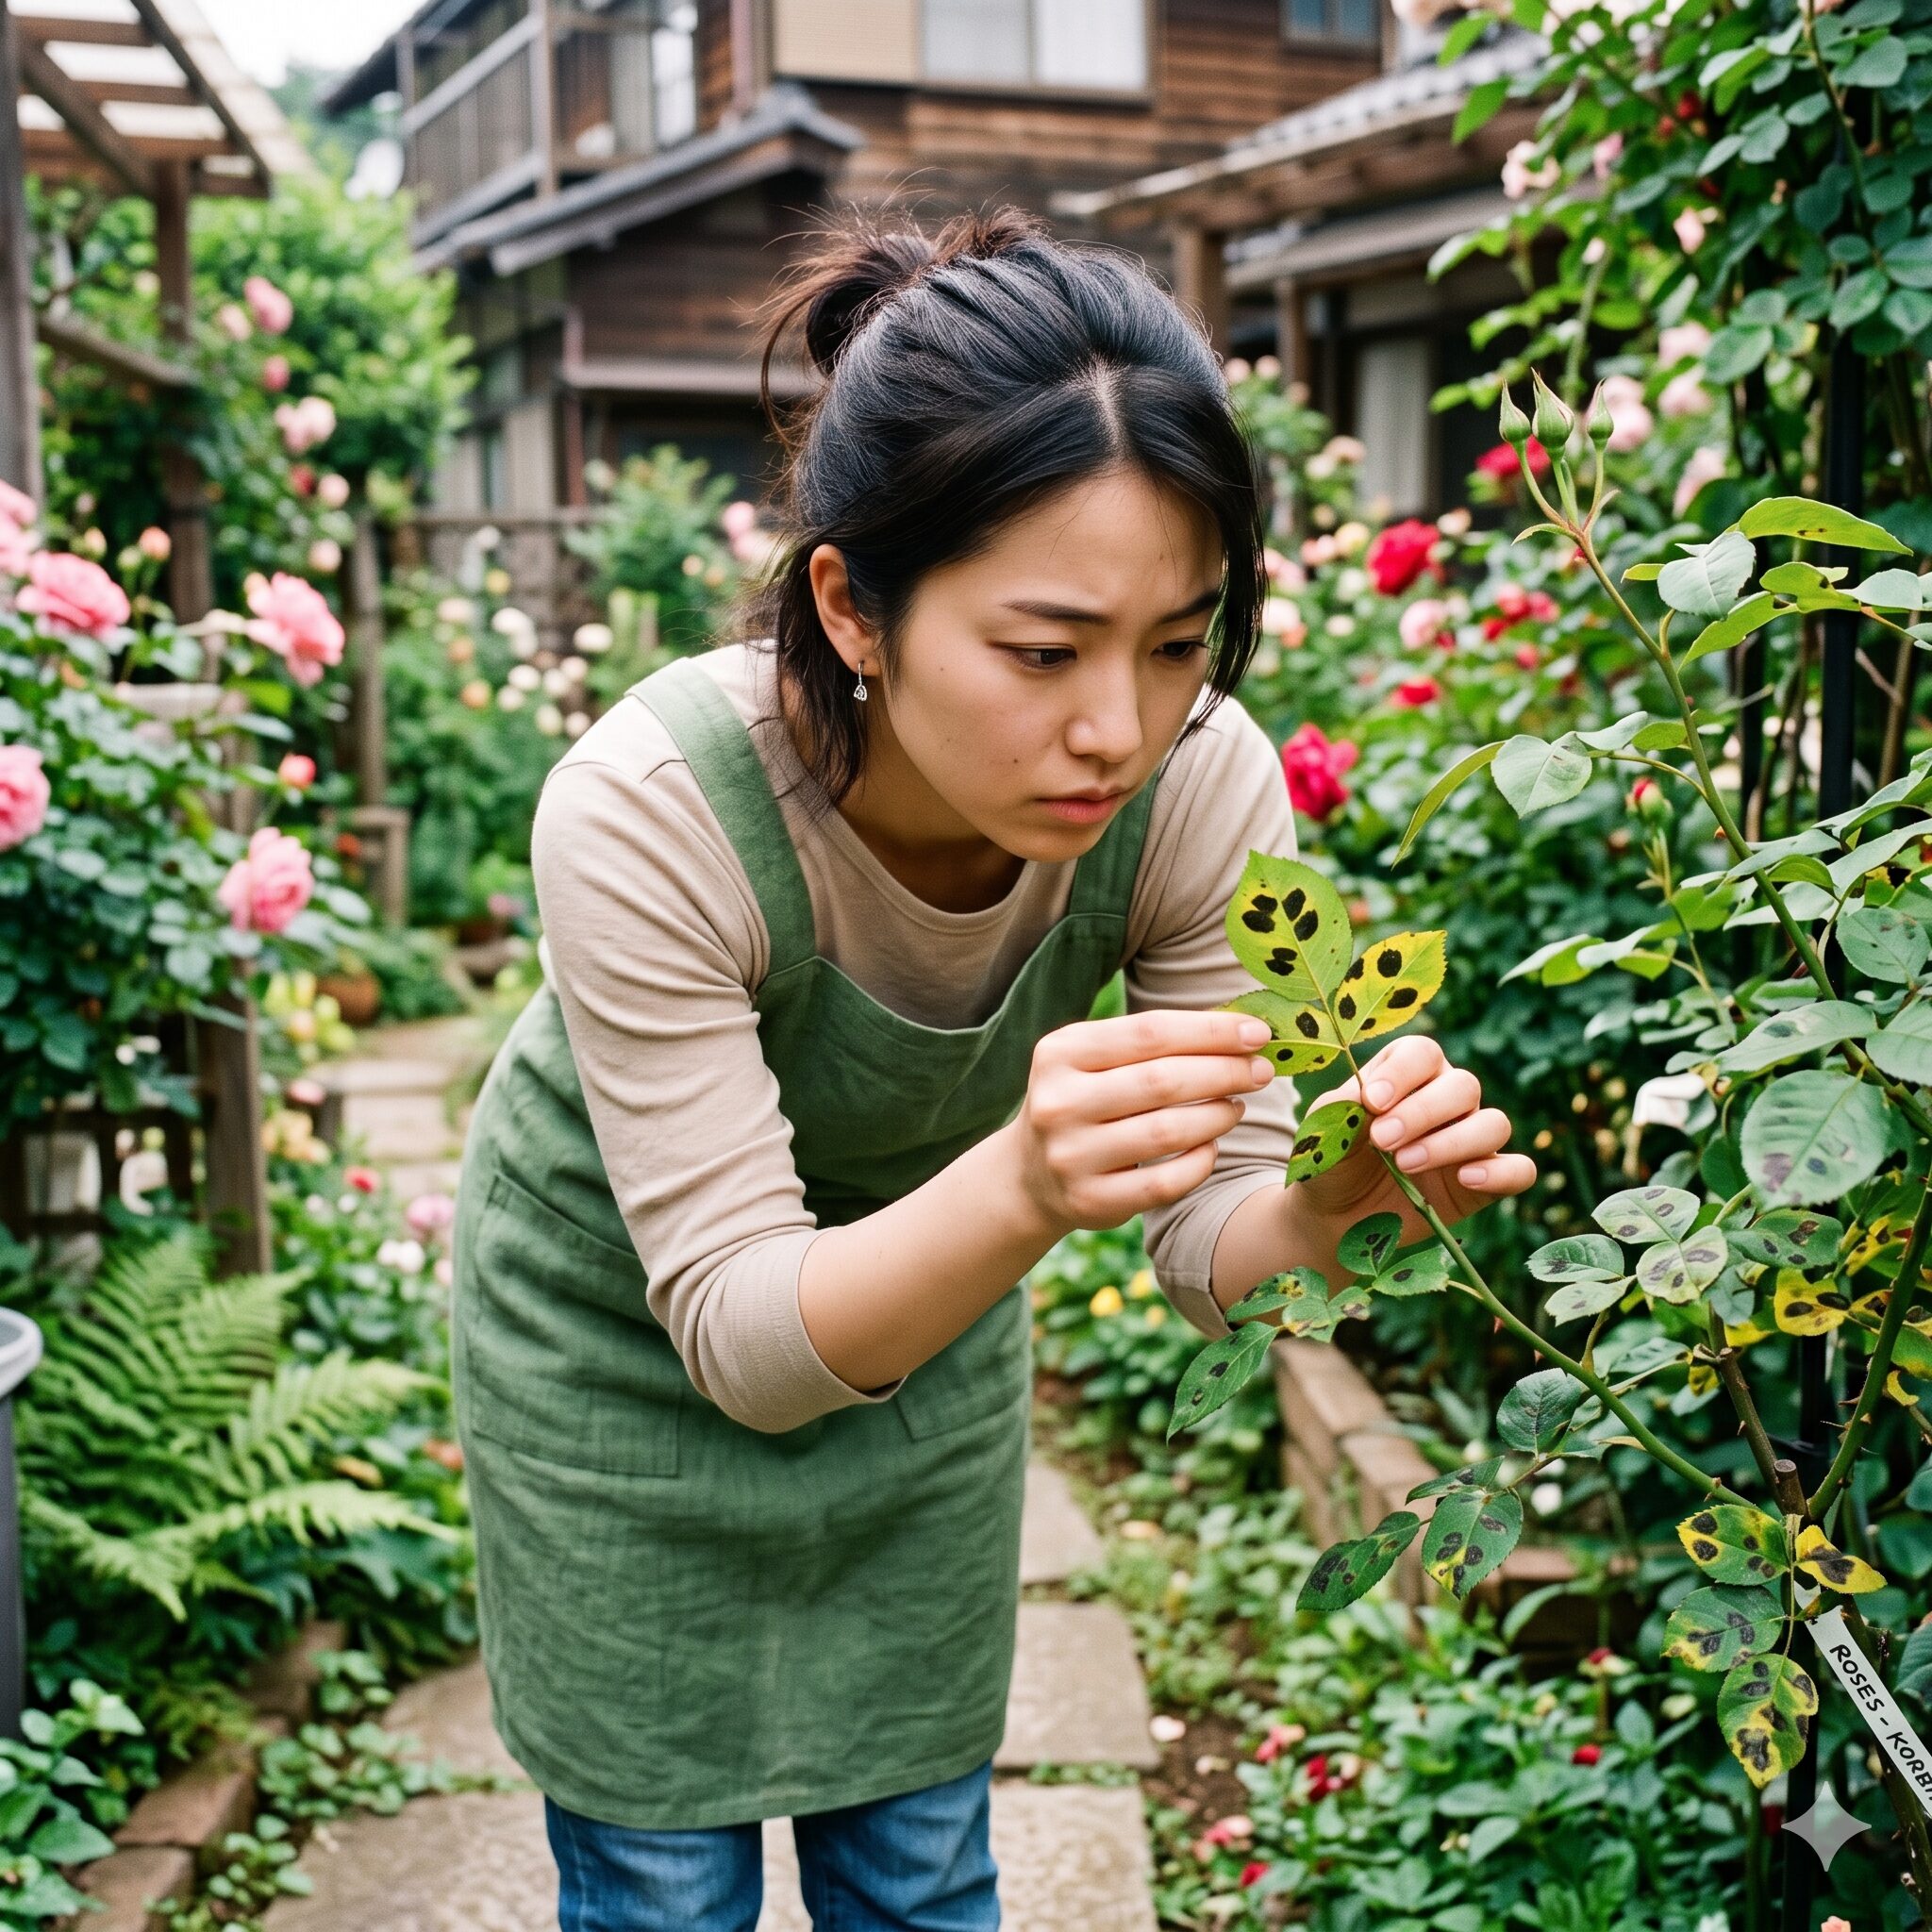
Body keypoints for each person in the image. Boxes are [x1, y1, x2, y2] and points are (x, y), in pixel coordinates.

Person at [449, 206, 1534, 1932]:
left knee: (919, 1864)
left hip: (926, 1320)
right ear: (852, 609)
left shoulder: (1197, 785)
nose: (1118, 723)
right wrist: (1027, 1183)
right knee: (661, 1886)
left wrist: (1337, 1199)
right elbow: (735, 1326)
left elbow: (1213, 1258)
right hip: (622, 1344)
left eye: (1180, 642)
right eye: (1045, 651)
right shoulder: (653, 810)